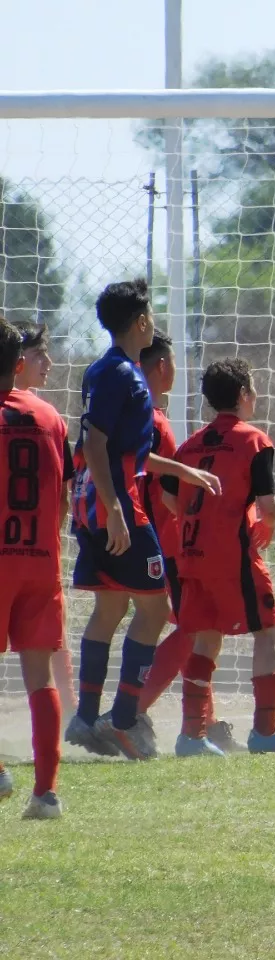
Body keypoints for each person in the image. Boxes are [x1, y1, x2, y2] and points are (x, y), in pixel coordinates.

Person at [64, 279, 220, 760]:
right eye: (150, 313)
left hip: (94, 506)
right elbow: (94, 445)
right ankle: (126, 719)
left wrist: (180, 468)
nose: (153, 320)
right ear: (141, 322)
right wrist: (115, 509)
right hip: (119, 510)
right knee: (154, 610)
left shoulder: (102, 369)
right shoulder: (126, 376)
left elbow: (125, 452)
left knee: (109, 611)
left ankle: (87, 718)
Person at [160, 358, 275, 756]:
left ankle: (190, 737)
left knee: (206, 639)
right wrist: (268, 526)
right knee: (269, 631)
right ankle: (266, 731)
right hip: (233, 556)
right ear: (243, 395)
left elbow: (168, 495)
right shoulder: (253, 440)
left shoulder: (188, 445)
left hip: (191, 553)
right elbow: (268, 505)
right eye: (254, 389)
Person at [135, 334, 244, 752]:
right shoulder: (155, 423)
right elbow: (165, 491)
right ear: (163, 367)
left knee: (199, 628)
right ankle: (132, 712)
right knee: (194, 629)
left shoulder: (134, 414)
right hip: (168, 542)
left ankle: (207, 723)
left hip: (154, 537)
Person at [0, 320, 74, 818]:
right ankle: (45, 794)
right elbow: (65, 499)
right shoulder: (50, 417)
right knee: (39, 676)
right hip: (40, 559)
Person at [13, 322, 76, 714]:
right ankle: (71, 716)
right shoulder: (48, 418)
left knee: (52, 635)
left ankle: (72, 712)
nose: (48, 362)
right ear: (18, 362)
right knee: (48, 637)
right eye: (39, 354)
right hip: (35, 550)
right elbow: (64, 497)